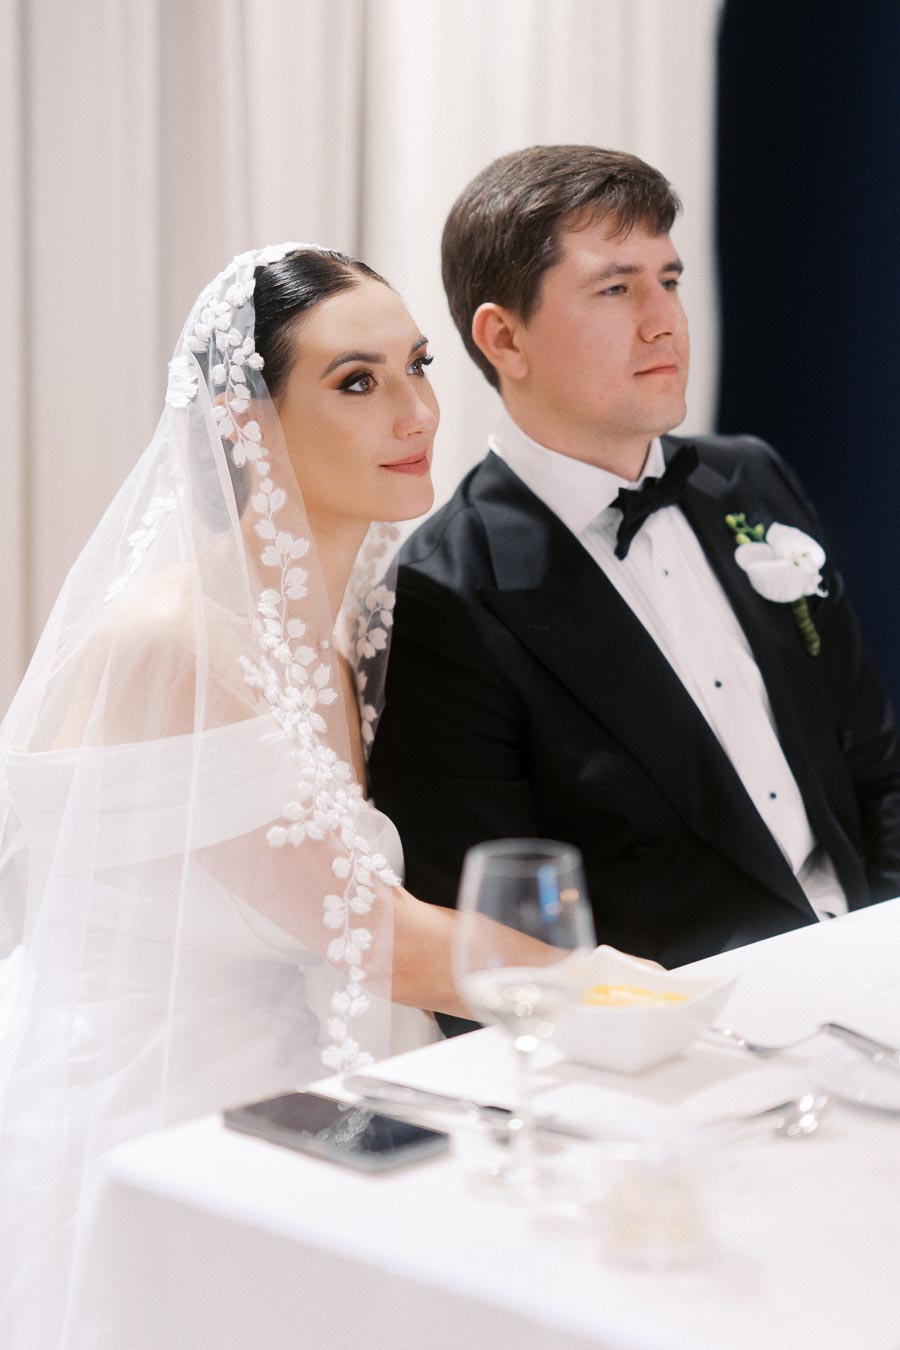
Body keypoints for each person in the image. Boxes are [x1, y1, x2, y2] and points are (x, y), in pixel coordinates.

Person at [0, 243, 560, 1349]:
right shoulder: (179, 642)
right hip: (151, 1112)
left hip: (296, 1095)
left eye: (417, 365)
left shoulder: (338, 637)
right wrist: (617, 992)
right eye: (357, 381)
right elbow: (366, 931)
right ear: (244, 422)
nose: (415, 412)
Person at [370, 145, 900, 995]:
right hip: (686, 1039)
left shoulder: (749, 476)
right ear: (504, 337)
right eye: (617, 288)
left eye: (671, 280)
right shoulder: (442, 595)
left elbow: (874, 762)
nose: (665, 321)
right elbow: (495, 937)